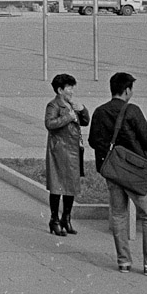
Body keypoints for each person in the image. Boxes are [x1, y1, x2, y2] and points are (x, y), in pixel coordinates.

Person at [88, 72, 147, 275]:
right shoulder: (132, 110)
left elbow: (94, 141)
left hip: (112, 171)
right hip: (134, 174)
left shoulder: (100, 112)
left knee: (118, 214)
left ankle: (124, 262)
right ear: (127, 90)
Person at [44, 73, 90, 236]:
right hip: (60, 149)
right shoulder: (54, 105)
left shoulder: (72, 104)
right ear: (59, 90)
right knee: (57, 185)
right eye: (69, 88)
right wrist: (67, 117)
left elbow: (85, 121)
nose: (72, 91)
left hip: (73, 150)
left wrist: (82, 109)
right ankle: (54, 219)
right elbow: (49, 124)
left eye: (72, 87)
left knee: (71, 185)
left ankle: (66, 218)